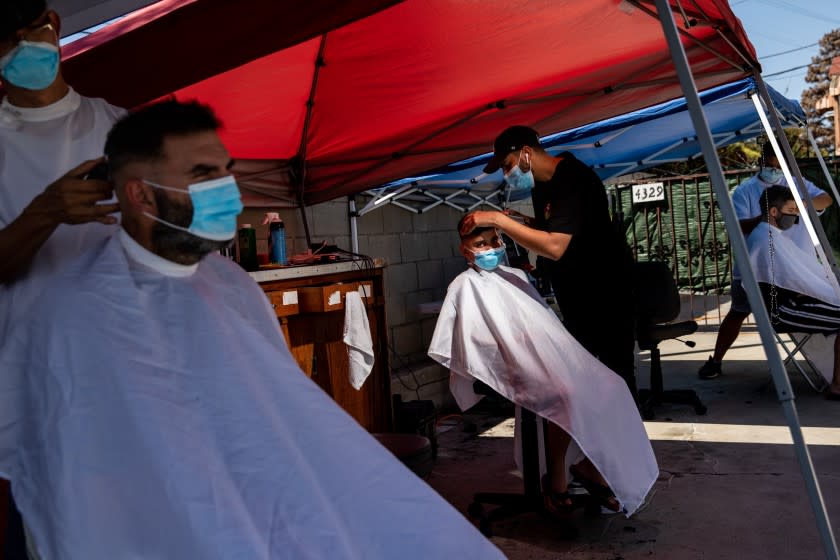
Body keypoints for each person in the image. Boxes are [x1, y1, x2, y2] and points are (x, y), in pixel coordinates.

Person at [0, 100, 505, 559]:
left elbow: (274, 414)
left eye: (225, 172)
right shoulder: (67, 311)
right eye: (202, 175)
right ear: (141, 196)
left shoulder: (229, 284)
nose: (227, 190)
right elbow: (69, 473)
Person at [0, 1, 126, 553]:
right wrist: (45, 212)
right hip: (36, 388)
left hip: (128, 377)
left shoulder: (121, 129)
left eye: (27, 32)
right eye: (4, 43)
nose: (22, 50)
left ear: (52, 23)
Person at [429, 214, 658, 516]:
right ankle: (557, 479)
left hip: (548, 355)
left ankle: (591, 465)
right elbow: (470, 339)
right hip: (510, 362)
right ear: (465, 250)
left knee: (612, 386)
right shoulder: (464, 285)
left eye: (495, 241)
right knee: (567, 394)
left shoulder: (517, 277)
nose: (490, 248)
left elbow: (545, 323)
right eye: (480, 244)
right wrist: (517, 352)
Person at [459, 126, 637, 397]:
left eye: (508, 166)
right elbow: (551, 228)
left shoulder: (572, 179)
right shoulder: (542, 185)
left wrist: (498, 220)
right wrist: (522, 221)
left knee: (615, 379)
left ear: (526, 154)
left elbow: (554, 246)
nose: (507, 176)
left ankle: (626, 436)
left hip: (606, 293)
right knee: (578, 383)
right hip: (576, 295)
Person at [697, 141, 832, 379]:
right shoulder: (745, 191)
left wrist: (796, 207)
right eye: (771, 164)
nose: (776, 169)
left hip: (793, 269)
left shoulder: (796, 185)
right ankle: (716, 359)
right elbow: (738, 227)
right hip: (757, 271)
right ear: (762, 161)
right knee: (738, 312)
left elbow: (825, 199)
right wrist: (769, 218)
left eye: (781, 164)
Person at [747, 186, 840, 399]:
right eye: (791, 210)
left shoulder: (771, 235)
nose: (795, 215)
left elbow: (795, 278)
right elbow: (787, 284)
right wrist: (823, 292)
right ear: (773, 212)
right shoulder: (765, 239)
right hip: (783, 311)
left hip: (791, 302)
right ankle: (837, 385)